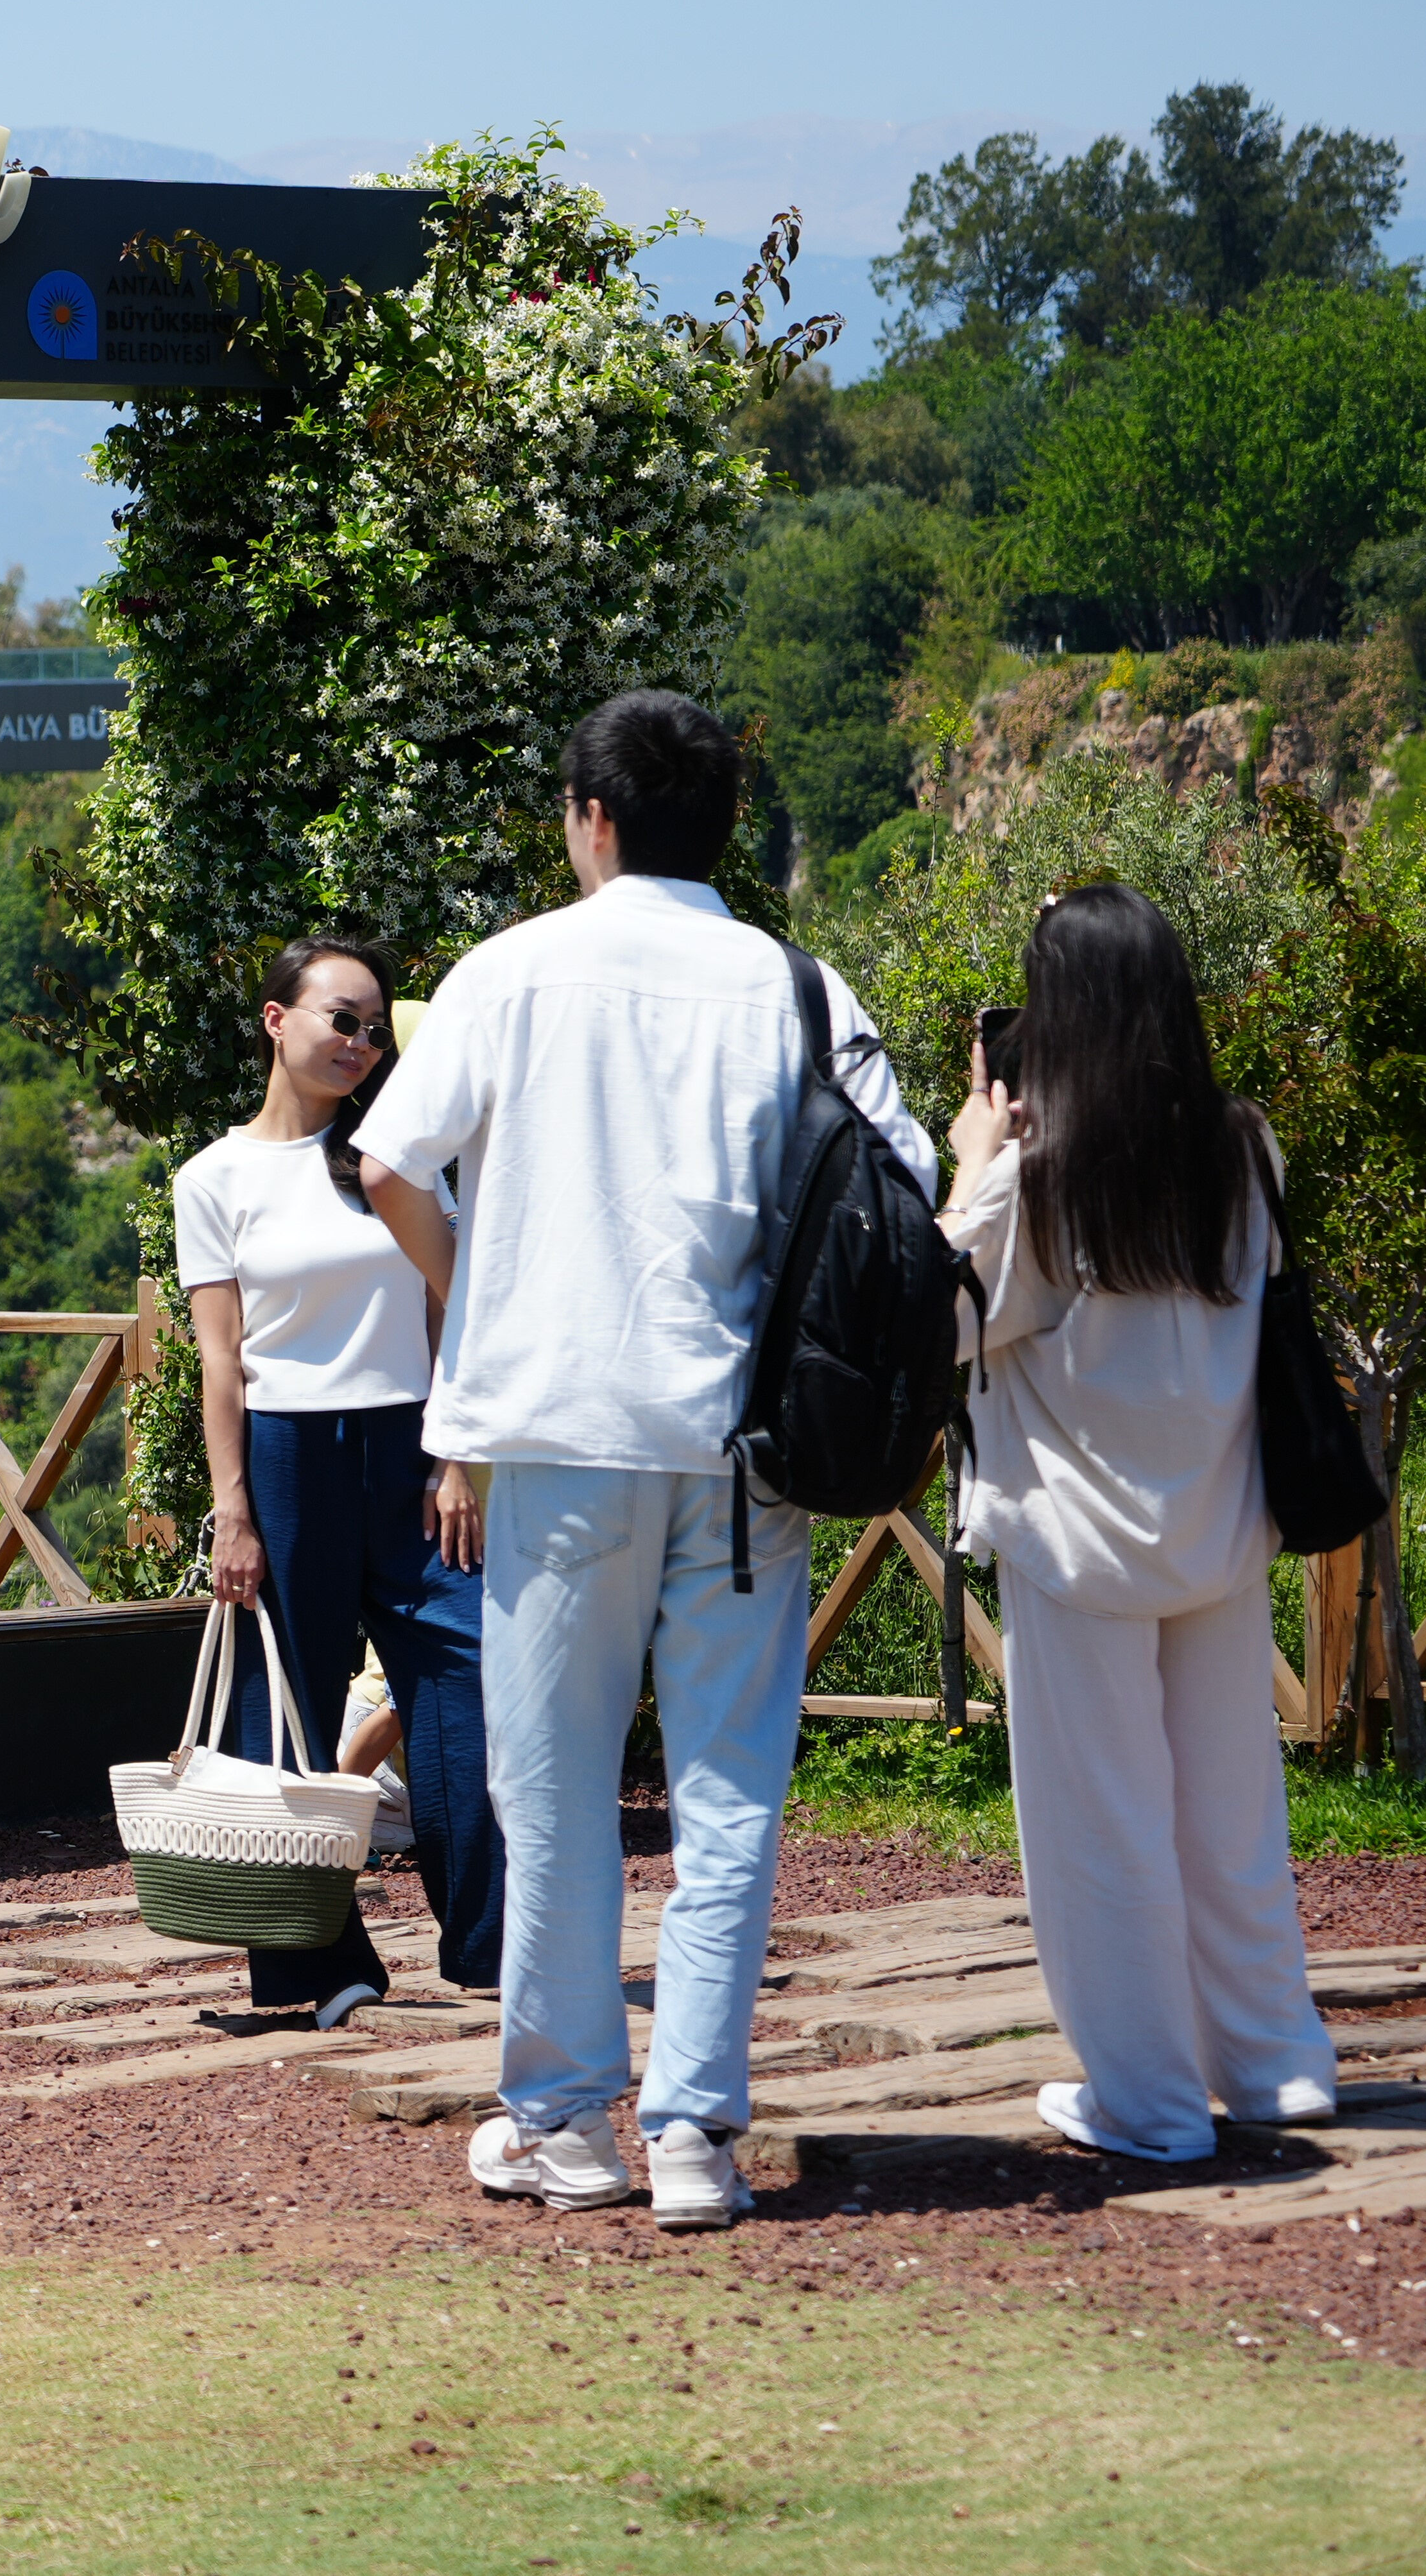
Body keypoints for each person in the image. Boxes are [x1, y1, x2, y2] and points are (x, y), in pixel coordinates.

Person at [354, 691, 934, 2232]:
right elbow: (908, 1175)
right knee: (729, 1794)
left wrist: (477, 1285)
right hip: (743, 1446)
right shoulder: (796, 984)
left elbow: (388, 1161)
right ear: (722, 820)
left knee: (550, 1792)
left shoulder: (511, 970)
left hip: (555, 1434)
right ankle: (693, 2132)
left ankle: (561, 2121)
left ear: (592, 817)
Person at [940, 882, 1340, 2160]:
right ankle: (1274, 2063)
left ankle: (1151, 2103)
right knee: (1231, 1816)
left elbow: (936, 1318)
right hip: (1217, 1527)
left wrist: (972, 1158)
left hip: (1076, 1544)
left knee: (1100, 1829)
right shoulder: (1242, 1147)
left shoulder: (1039, 1180)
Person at [179, 937, 501, 2029]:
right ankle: (320, 1965)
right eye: (341, 1019)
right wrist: (233, 1509)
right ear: (277, 1020)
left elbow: (447, 1309)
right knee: (285, 1708)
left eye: (374, 1028)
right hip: (285, 1458)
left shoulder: (395, 1162)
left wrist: (453, 1454)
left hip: (410, 1452)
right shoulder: (213, 1177)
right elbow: (221, 1361)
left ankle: (488, 1947)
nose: (360, 1042)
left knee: (466, 1672)